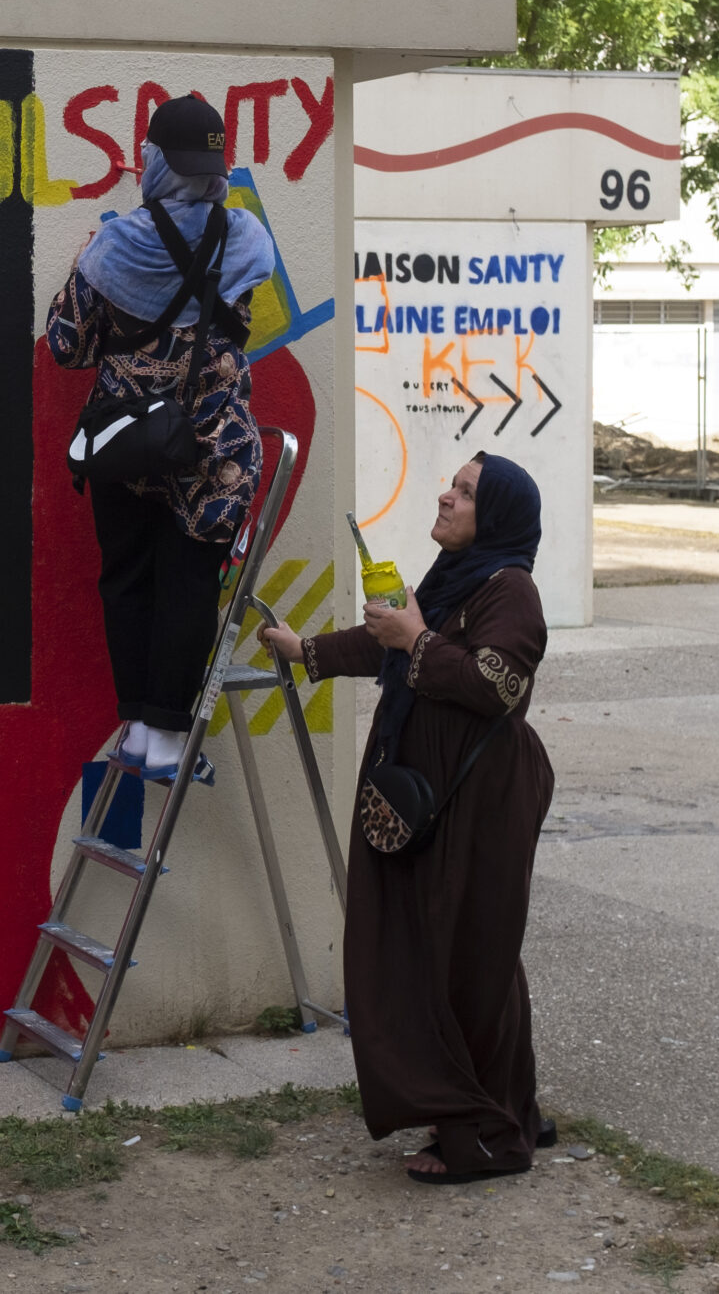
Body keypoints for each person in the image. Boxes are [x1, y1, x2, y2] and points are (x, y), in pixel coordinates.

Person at [261, 453, 554, 1184]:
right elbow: (392, 639)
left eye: (466, 492)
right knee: (452, 951)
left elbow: (500, 683)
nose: (446, 497)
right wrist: (309, 651)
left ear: (501, 516)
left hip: (479, 801)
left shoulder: (510, 588)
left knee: (466, 958)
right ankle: (505, 1104)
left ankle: (486, 1135)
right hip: (433, 791)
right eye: (451, 484)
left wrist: (416, 640)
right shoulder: (458, 577)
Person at [46, 93, 278, 780]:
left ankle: (141, 733)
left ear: (152, 162)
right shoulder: (249, 239)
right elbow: (234, 316)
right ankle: (170, 742)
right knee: (189, 582)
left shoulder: (117, 244)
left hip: (127, 444)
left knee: (127, 581)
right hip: (215, 448)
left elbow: (66, 346)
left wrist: (99, 275)